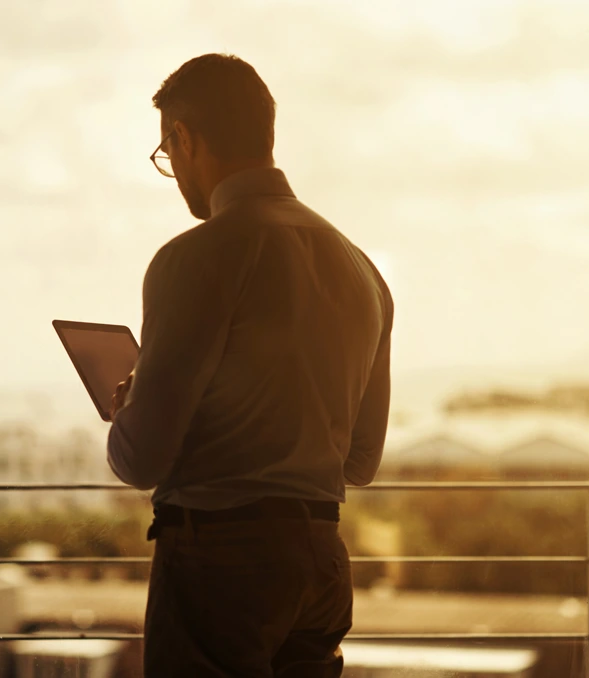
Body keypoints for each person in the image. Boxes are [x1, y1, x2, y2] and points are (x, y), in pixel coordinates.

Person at [107, 53, 394, 677]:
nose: (173, 170)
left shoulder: (196, 257)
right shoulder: (362, 269)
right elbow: (361, 461)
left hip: (219, 560)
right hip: (322, 558)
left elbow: (142, 460)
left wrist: (127, 409)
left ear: (184, 138)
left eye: (167, 153)